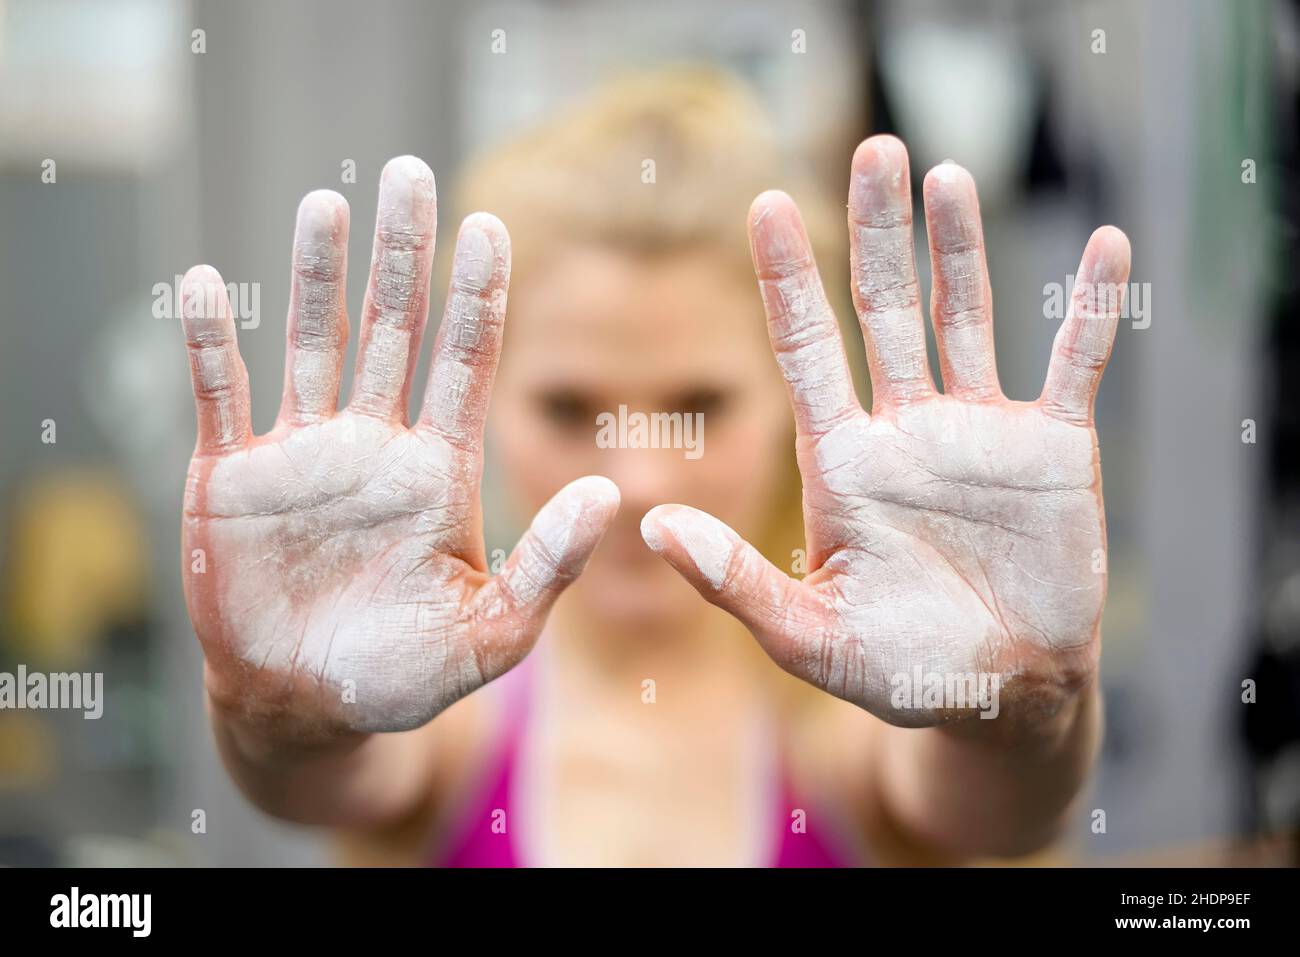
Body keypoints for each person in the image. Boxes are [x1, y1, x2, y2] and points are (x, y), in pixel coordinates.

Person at [176, 68, 1130, 866]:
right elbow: (324, 779)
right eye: (568, 407)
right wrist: (275, 712)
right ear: (479, 403)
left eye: (698, 407)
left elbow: (998, 806)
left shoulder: (853, 727)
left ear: (800, 402)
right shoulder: (453, 728)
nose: (636, 478)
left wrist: (1021, 712)